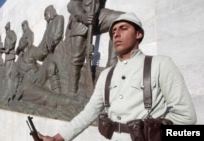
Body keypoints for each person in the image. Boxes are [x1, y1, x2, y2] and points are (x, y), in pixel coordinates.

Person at [38, 12, 197, 141]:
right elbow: (89, 112)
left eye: (123, 28)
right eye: (113, 31)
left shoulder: (161, 64)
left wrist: (155, 133)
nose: (116, 34)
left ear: (138, 34)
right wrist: (59, 138)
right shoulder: (107, 75)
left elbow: (186, 117)